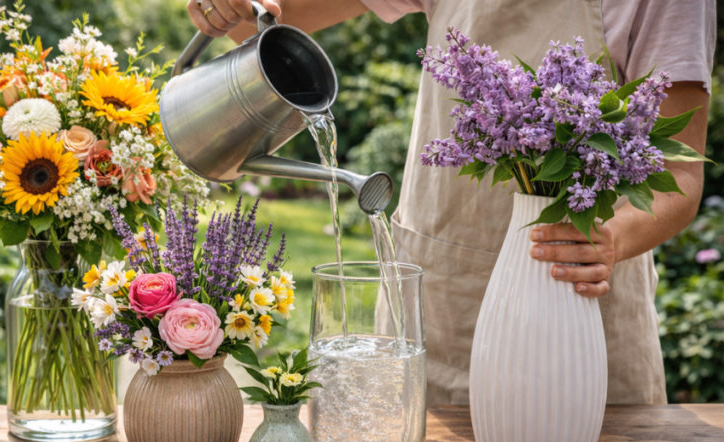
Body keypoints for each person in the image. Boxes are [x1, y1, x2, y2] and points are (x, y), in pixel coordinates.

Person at [187, 0, 714, 405]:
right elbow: (272, 19)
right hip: (440, 309)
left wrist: (612, 239)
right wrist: (236, 6)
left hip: (576, 309)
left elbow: (680, 175)